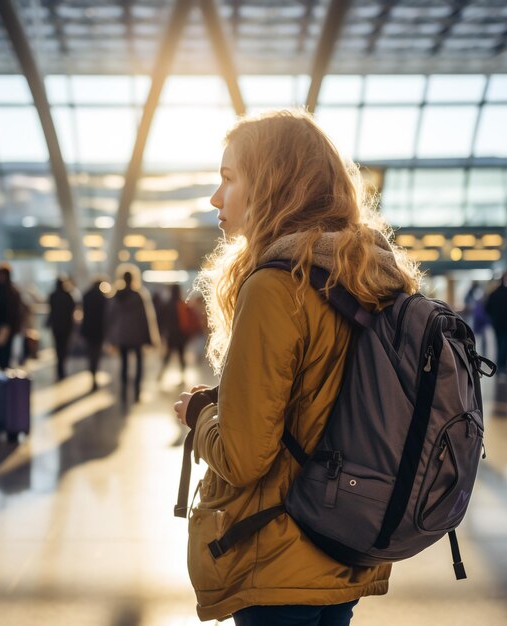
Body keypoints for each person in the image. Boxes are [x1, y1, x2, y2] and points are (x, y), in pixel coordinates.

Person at [173, 111, 421, 625]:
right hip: (346, 542)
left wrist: (200, 415)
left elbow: (243, 458)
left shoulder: (277, 285)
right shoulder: (369, 275)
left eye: (228, 179)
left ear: (270, 182)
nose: (216, 199)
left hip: (279, 550)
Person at [107, 266, 159, 404]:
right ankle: (137, 391)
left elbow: (110, 318)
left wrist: (111, 338)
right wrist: (150, 338)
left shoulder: (116, 296)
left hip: (122, 336)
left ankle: (124, 391)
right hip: (137, 336)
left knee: (123, 364)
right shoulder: (139, 295)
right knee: (139, 364)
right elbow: (146, 318)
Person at [159, 284, 198, 380]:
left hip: (171, 335)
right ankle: (183, 375)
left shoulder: (168, 304)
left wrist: (163, 333)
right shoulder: (182, 304)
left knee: (168, 355)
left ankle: (161, 374)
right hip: (181, 335)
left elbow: (162, 320)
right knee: (181, 355)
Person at [485, 275, 507, 376]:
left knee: (499, 343)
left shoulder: (494, 294)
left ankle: (499, 365)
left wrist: (493, 317)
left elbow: (487, 308)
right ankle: (503, 365)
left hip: (497, 323)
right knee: (506, 344)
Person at [0, 262, 23, 370]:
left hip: (8, 328)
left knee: (6, 353)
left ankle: (5, 376)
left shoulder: (12, 292)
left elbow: (16, 312)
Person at [81, 276, 109, 392]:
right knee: (96, 353)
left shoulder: (86, 295)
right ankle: (94, 373)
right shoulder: (103, 297)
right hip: (99, 329)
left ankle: (92, 372)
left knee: (91, 353)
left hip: (88, 329)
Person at [47, 277, 76, 381]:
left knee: (58, 348)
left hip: (56, 326)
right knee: (63, 348)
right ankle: (62, 369)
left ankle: (59, 369)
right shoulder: (68, 295)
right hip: (66, 326)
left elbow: (51, 309)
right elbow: (73, 308)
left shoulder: (53, 295)